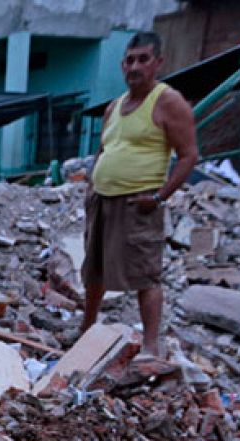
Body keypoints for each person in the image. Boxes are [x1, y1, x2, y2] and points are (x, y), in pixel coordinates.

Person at [81, 30, 199, 361]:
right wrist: (91, 185)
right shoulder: (114, 107)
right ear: (122, 65)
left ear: (158, 62)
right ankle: (86, 328)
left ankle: (150, 346)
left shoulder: (168, 102)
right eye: (130, 60)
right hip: (102, 200)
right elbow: (104, 149)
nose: (135, 67)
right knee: (94, 270)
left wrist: (159, 198)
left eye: (143, 60)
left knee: (145, 274)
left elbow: (189, 155)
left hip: (138, 202)